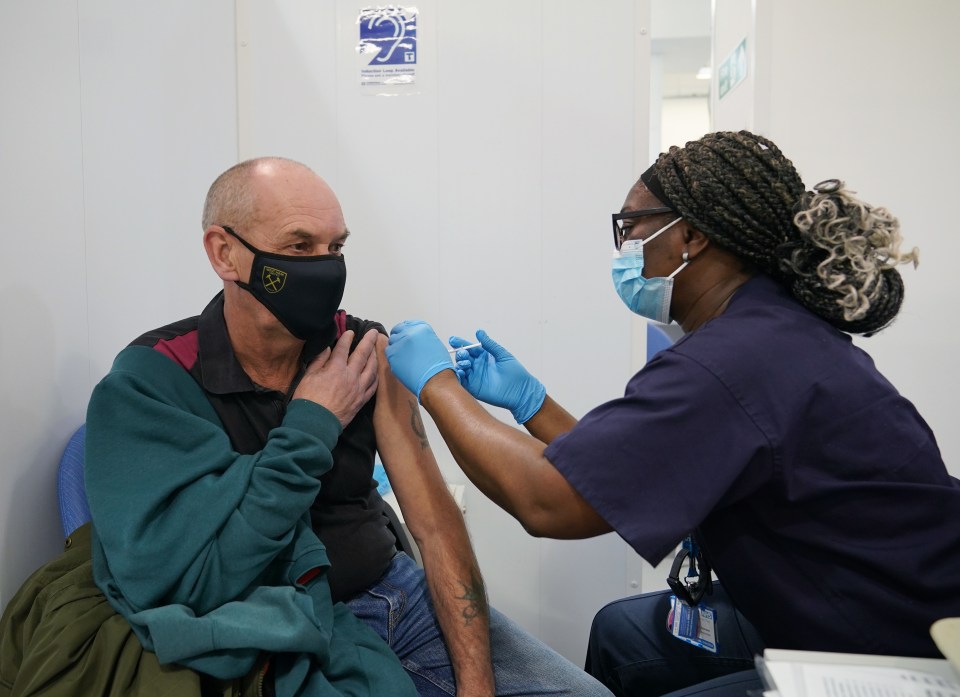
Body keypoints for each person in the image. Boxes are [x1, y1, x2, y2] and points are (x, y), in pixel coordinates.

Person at [383, 131, 960, 697]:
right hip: (873, 600)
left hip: (890, 652)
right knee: (622, 635)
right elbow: (627, 472)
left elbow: (549, 501)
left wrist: (436, 385)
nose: (625, 247)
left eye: (631, 226)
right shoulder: (766, 333)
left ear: (689, 235)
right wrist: (532, 404)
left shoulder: (731, 364)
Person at [69, 157, 612, 696]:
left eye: (336, 248)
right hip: (280, 622)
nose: (325, 268)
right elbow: (191, 572)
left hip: (396, 591)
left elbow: (434, 527)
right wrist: (315, 420)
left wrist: (476, 685)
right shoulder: (157, 377)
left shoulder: (362, 351)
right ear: (224, 252)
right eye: (300, 246)